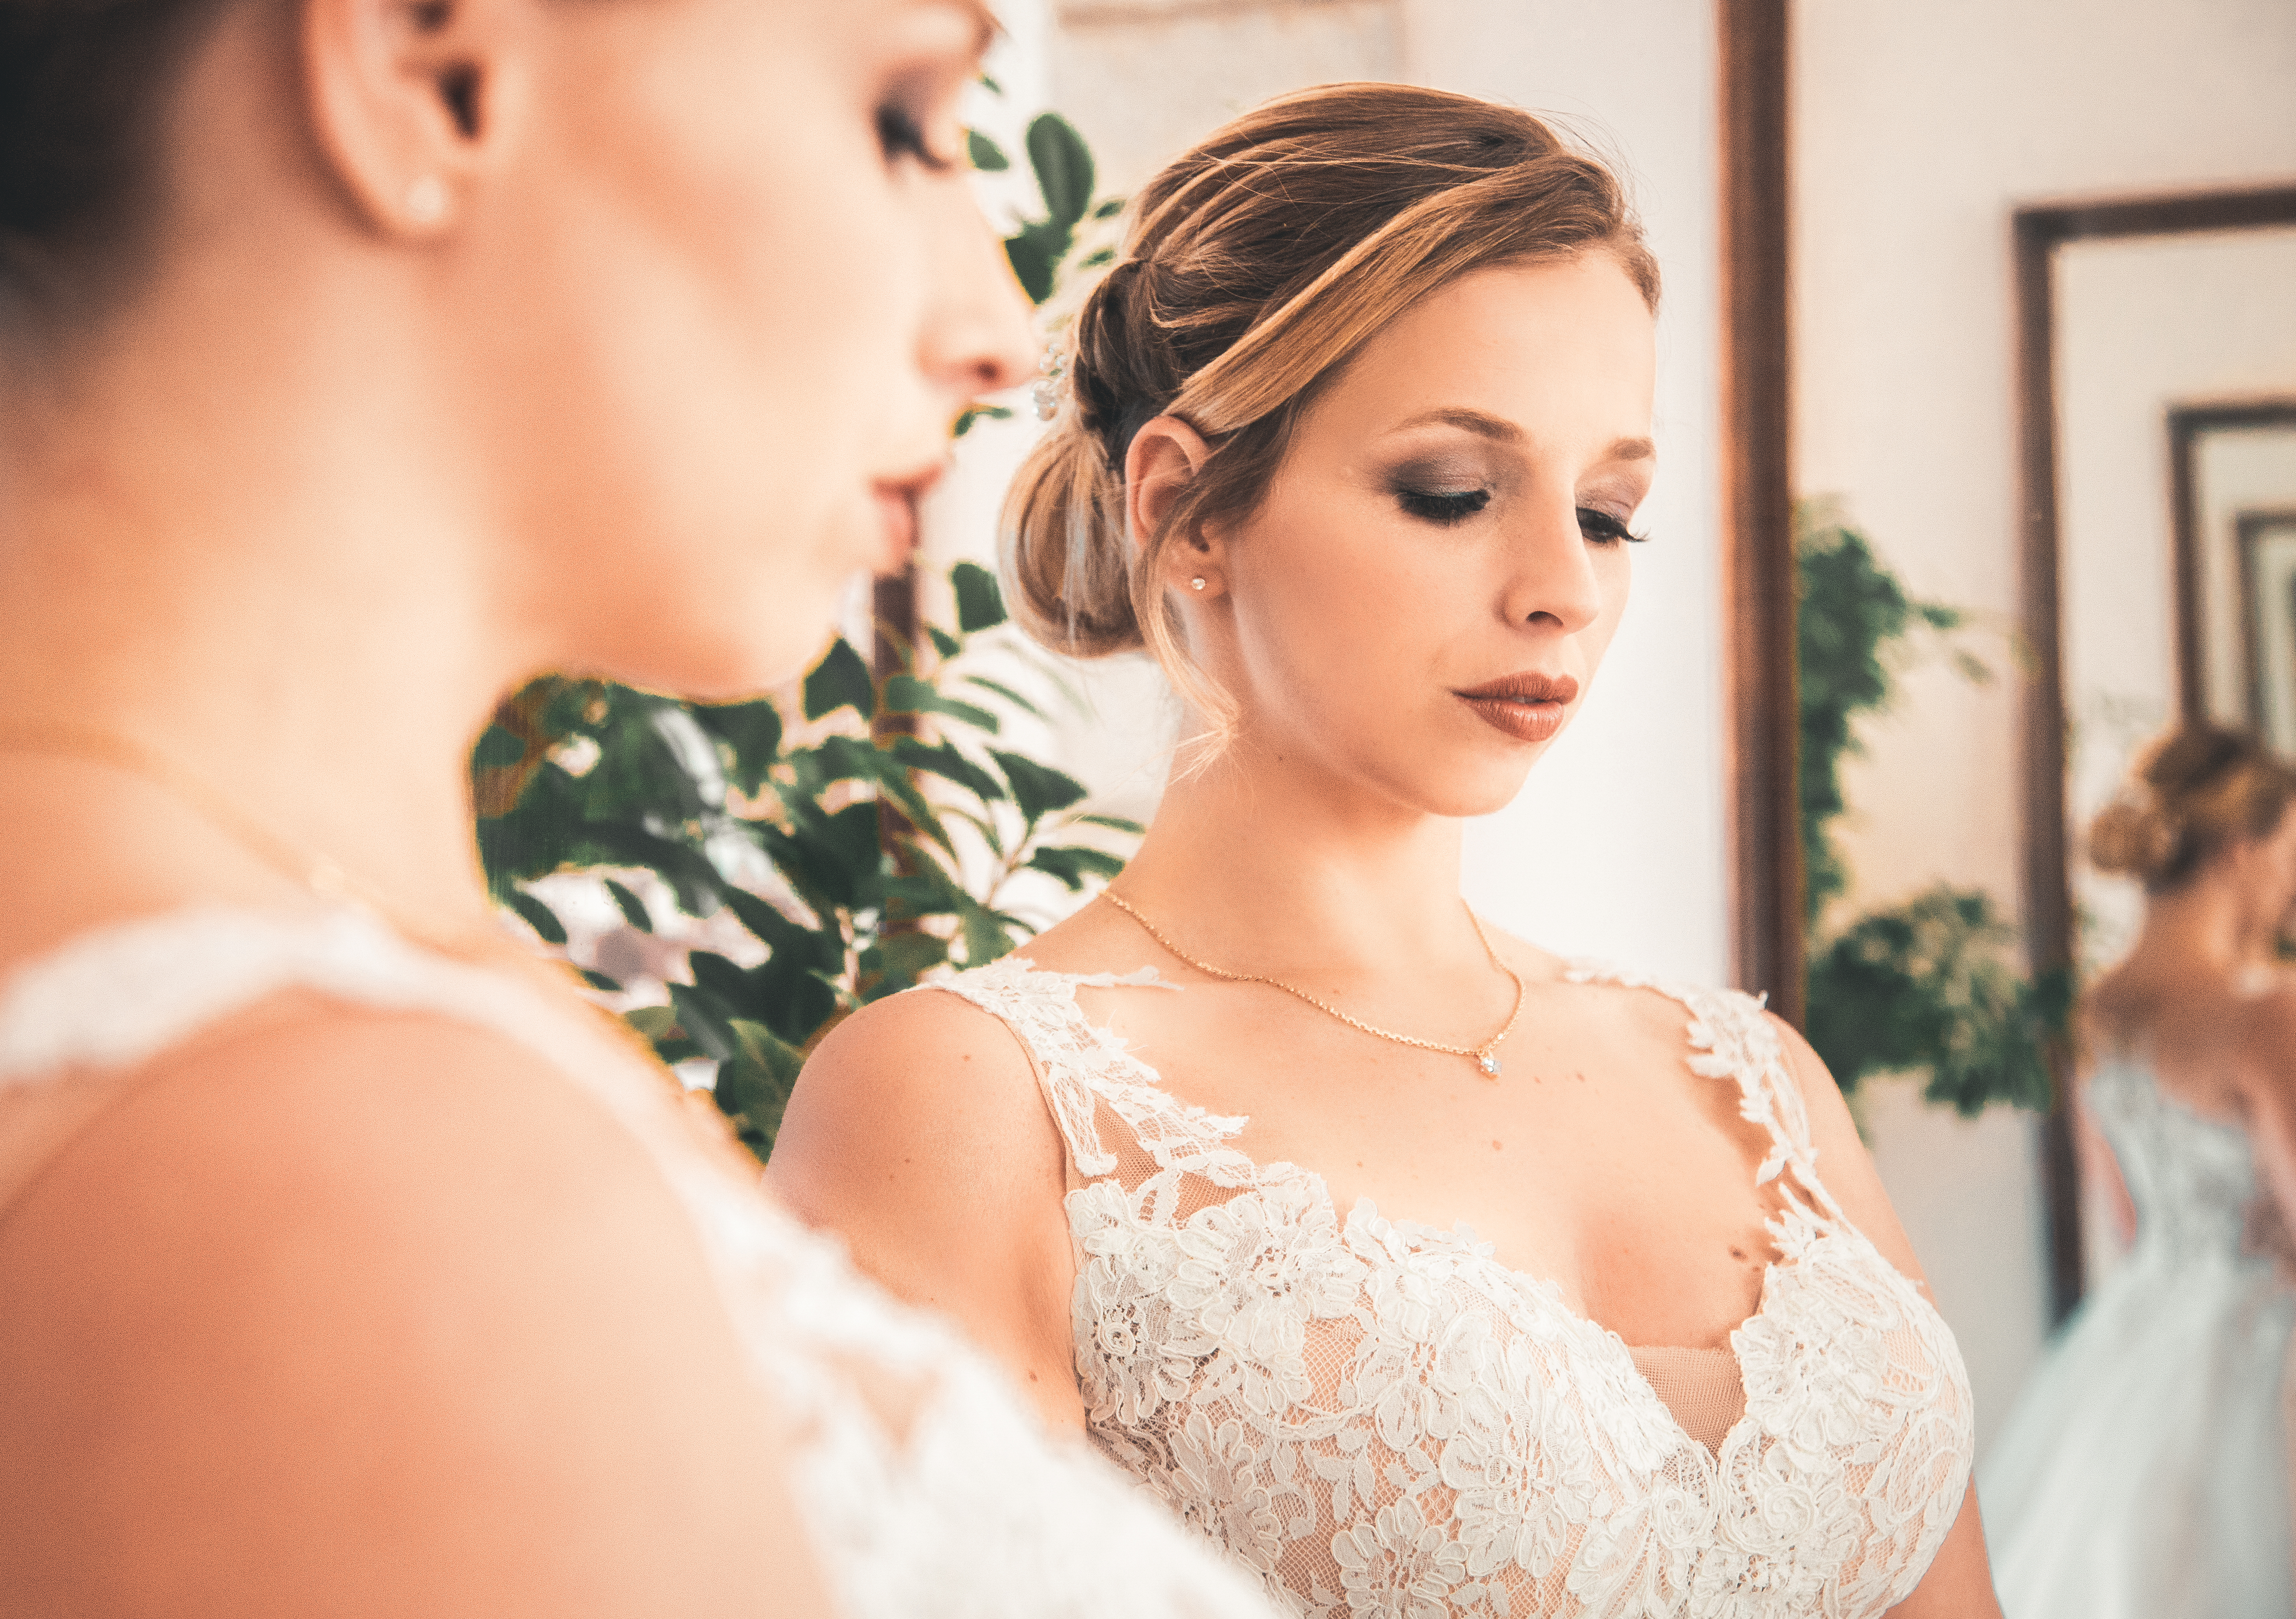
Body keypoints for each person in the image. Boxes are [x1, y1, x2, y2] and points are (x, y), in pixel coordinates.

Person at [0, 0, 1287, 1611]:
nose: (998, 324)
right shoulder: (345, 1195)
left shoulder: (74, 995)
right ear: (427, 65)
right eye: (902, 119)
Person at [768, 83, 1998, 1618]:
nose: (1561, 586)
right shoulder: (970, 1104)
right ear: (1186, 510)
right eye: (1452, 493)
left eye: (1611, 512)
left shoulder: (1747, 1077)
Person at [1979, 724, 2296, 1618]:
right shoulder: (2265, 1011)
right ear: (2240, 850)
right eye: (2289, 850)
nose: (2291, 878)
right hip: (2267, 1343)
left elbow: (2123, 1220)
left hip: (2144, 1330)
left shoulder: (2100, 1009)